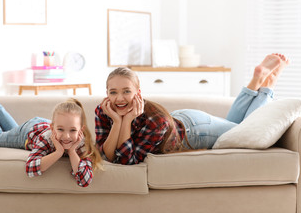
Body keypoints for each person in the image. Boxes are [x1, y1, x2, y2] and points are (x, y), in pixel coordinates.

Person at [95, 53, 290, 165]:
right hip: (182, 119)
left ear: (138, 92)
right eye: (113, 92)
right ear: (106, 92)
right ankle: (257, 82)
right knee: (235, 125)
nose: (119, 99)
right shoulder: (103, 111)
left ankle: (268, 85)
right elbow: (106, 154)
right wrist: (118, 122)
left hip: (195, 131)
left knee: (242, 130)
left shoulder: (155, 120)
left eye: (126, 91)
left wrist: (126, 121)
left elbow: (126, 160)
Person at [0, 91, 102, 187]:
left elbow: (84, 180)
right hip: (28, 132)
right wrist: (58, 153)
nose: (66, 136)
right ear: (53, 129)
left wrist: (72, 152)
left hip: (39, 124)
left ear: (81, 130)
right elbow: (30, 168)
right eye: (60, 130)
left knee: (11, 130)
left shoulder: (81, 144)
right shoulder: (46, 139)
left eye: (72, 130)